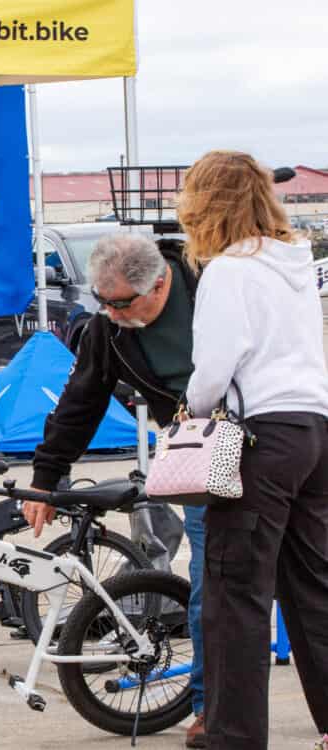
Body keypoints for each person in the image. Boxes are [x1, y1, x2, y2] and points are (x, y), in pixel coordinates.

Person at [23, 232, 206, 746]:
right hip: (201, 457)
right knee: (210, 585)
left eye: (121, 303)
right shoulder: (108, 328)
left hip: (268, 440)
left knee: (304, 579)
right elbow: (81, 400)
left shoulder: (209, 284)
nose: (110, 313)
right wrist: (45, 477)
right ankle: (211, 707)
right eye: (102, 302)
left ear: (160, 283)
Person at [179, 150, 328, 750]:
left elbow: (215, 367)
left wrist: (191, 407)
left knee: (234, 590)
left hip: (261, 436)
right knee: (312, 587)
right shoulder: (295, 263)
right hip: (314, 429)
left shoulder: (229, 270)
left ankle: (233, 735)